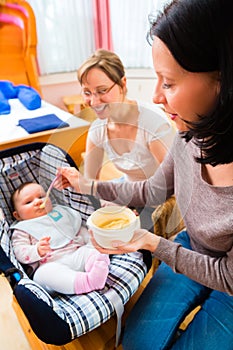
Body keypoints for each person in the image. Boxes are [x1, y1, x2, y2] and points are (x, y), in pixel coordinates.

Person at [55, 0, 233, 348]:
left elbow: (227, 276)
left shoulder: (154, 126)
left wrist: (153, 242)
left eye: (168, 83)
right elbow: (151, 191)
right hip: (190, 246)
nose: (155, 95)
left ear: (222, 82)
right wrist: (86, 183)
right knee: (136, 343)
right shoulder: (188, 136)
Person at [78, 48, 176, 232]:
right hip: (128, 189)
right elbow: (90, 183)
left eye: (102, 90)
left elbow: (172, 184)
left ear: (123, 84)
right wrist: (108, 206)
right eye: (87, 92)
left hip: (165, 196)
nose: (94, 101)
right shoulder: (98, 129)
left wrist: (135, 208)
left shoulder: (153, 124)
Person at [10, 182, 110, 295]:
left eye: (42, 197)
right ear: (17, 215)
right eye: (28, 202)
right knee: (42, 275)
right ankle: (87, 282)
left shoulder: (60, 213)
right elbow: (19, 251)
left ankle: (96, 273)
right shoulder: (22, 229)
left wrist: (93, 240)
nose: (38, 202)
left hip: (77, 254)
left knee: (98, 248)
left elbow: (77, 229)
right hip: (52, 265)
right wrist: (36, 250)